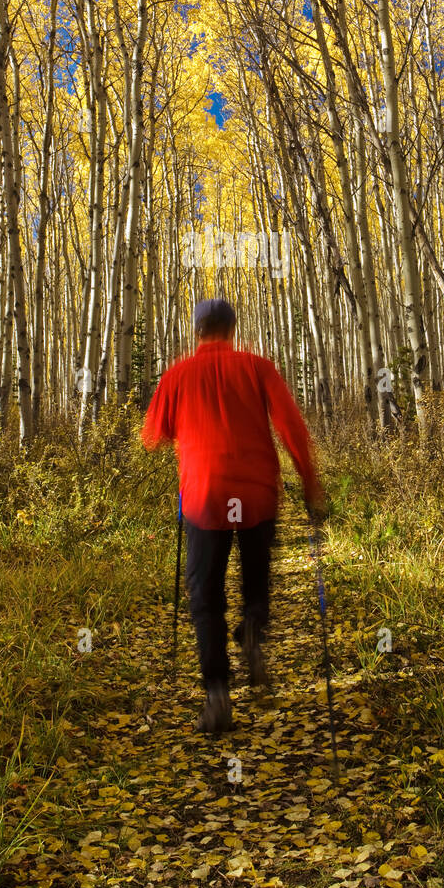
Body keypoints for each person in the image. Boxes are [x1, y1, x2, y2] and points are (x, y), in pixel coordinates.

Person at [141, 297, 326, 733]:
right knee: (256, 580)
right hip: (257, 495)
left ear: (197, 330)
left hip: (205, 497)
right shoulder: (259, 367)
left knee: (205, 598)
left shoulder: (177, 375)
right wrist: (311, 485)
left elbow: (152, 436)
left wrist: (184, 431)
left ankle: (218, 695)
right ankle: (252, 634)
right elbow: (291, 427)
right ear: (232, 327)